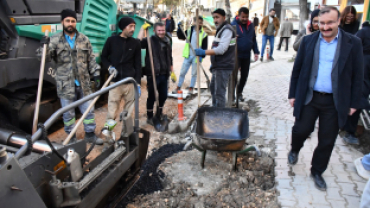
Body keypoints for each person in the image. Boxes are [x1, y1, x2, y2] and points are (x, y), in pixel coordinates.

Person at [287, 6, 364, 191]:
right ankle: (295, 149)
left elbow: (358, 75)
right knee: (300, 130)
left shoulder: (353, 43)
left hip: (335, 102)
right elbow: (297, 70)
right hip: (309, 97)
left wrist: (354, 103)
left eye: (330, 22)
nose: (325, 27)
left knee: (327, 140)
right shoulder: (308, 41)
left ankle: (317, 171)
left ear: (339, 21)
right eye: (321, 23)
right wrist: (292, 94)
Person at [38, 9, 104, 144]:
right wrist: (43, 46)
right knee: (68, 115)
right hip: (65, 84)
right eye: (67, 20)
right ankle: (71, 138)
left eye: (73, 21)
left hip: (84, 84)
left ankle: (90, 134)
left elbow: (91, 59)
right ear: (62, 22)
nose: (70, 23)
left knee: (89, 111)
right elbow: (43, 58)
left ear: (76, 23)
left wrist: (96, 74)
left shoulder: (84, 39)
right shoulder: (55, 40)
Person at [100, 17, 142, 137]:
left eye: (134, 26)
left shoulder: (135, 43)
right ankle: (108, 134)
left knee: (128, 113)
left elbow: (138, 64)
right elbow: (103, 57)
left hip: (130, 83)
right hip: (115, 83)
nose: (133, 29)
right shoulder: (111, 41)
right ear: (123, 27)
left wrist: (137, 83)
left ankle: (125, 135)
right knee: (112, 112)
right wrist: (109, 67)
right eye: (130, 26)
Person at [194, 8, 236, 107]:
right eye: (214, 18)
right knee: (213, 89)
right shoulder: (220, 29)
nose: (215, 20)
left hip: (223, 66)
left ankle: (219, 115)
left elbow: (221, 49)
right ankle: (215, 110)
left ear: (224, 17)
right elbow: (216, 47)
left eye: (217, 17)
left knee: (219, 93)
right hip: (218, 66)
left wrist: (204, 52)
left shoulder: (227, 30)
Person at [137, 22, 173, 125]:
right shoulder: (149, 40)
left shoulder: (167, 41)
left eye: (163, 30)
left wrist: (171, 69)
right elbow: (137, 44)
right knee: (152, 96)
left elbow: (170, 56)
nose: (161, 32)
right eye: (159, 30)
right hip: (153, 74)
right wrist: (141, 30)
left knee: (164, 95)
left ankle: (159, 113)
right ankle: (149, 117)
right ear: (154, 31)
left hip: (164, 74)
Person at [342, 20, 370, 145]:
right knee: (358, 99)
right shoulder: (363, 33)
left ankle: (349, 130)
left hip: (364, 69)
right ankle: (349, 131)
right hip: (362, 70)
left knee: (358, 99)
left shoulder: (362, 32)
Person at [231, 7, 259, 101]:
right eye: (243, 17)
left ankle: (239, 93)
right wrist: (234, 39)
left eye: (246, 17)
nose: (244, 19)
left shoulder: (250, 25)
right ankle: (231, 96)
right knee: (234, 77)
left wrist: (256, 51)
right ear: (238, 15)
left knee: (244, 76)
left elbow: (253, 39)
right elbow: (228, 41)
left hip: (246, 56)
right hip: (236, 55)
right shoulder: (233, 25)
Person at [174, 16, 208, 94]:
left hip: (196, 57)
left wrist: (202, 55)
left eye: (201, 22)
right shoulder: (189, 31)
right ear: (194, 22)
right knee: (182, 72)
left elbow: (205, 48)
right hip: (188, 55)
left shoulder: (204, 34)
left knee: (194, 73)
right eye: (198, 22)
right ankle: (178, 87)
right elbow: (181, 36)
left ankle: (191, 88)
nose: (200, 24)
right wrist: (179, 28)